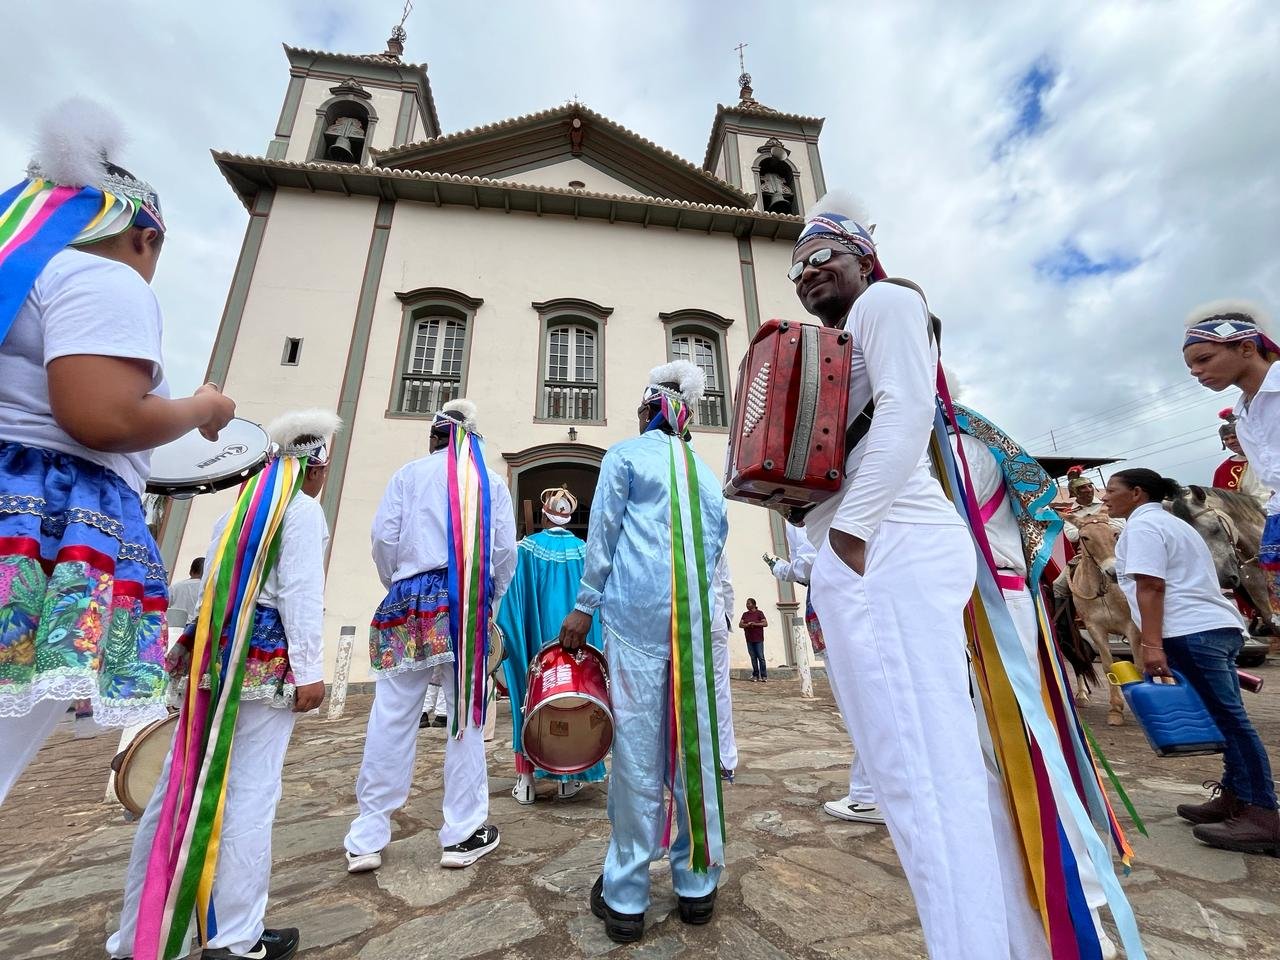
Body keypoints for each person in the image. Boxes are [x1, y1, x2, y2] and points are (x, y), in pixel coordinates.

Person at [791, 191, 1029, 959]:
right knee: (931, 773)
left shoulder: (886, 301)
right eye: (796, 265)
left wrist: (850, 533)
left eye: (821, 255)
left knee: (920, 780)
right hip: (874, 545)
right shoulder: (843, 337)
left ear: (864, 257)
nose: (806, 271)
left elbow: (904, 410)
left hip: (885, 544)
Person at [0, 99, 235, 804]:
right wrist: (202, 408)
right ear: (144, 237)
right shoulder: (99, 277)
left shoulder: (25, 279)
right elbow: (102, 417)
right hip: (43, 520)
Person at [109, 409, 338, 960]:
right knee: (251, 794)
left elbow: (212, 589)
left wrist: (193, 647)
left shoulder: (235, 514)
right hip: (264, 661)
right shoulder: (302, 511)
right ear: (316, 467)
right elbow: (300, 592)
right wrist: (310, 669)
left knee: (180, 787)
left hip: (216, 654)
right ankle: (237, 934)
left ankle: (140, 934)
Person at [557, 360, 728, 944]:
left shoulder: (624, 456)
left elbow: (603, 532)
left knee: (636, 751)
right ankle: (697, 884)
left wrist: (584, 604)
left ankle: (627, 895)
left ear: (650, 408)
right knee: (692, 747)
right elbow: (714, 548)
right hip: (693, 624)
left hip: (636, 618)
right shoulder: (706, 474)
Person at [951, 403, 1122, 958]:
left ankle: (1075, 906)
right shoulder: (970, 434)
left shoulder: (951, 444)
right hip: (987, 603)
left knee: (1025, 756)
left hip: (990, 609)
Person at [345, 400, 516, 873]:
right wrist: (489, 601)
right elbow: (504, 552)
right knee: (465, 716)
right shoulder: (490, 482)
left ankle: (367, 835)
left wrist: (400, 582)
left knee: (392, 714)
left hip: (407, 599)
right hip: (464, 602)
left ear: (434, 439)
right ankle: (462, 832)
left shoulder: (407, 475)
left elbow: (383, 539)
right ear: (472, 441)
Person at [1105, 467, 1278, 855]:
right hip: (1212, 627)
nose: (1104, 496)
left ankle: (1263, 813)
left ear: (1137, 493)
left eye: (1111, 490)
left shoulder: (1144, 526)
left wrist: (1151, 646)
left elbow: (1151, 585)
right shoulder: (1174, 524)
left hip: (1190, 630)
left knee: (1230, 722)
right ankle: (1236, 797)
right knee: (1224, 718)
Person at [495, 485, 606, 804]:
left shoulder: (526, 550)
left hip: (537, 646)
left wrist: (512, 640)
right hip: (576, 645)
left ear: (544, 516)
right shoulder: (585, 551)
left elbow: (512, 606)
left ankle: (526, 780)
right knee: (575, 702)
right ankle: (568, 780)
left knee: (528, 699)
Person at [766, 523, 883, 825]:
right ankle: (871, 789)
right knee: (873, 699)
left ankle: (870, 794)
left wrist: (782, 569)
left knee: (860, 705)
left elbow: (813, 562)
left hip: (840, 607)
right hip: (871, 598)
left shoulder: (800, 511)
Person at [1184, 300, 1280, 625]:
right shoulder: (1243, 416)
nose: (1195, 371)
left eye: (1204, 359)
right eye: (1191, 366)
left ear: (1246, 348)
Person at [710, 552, 737, 782]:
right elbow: (726, 583)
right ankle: (725, 759)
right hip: (715, 619)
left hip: (682, 622)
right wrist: (727, 616)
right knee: (720, 691)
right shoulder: (715, 536)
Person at [1214, 411, 1271, 507]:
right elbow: (1223, 504)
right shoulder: (1223, 470)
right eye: (1226, 439)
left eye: (1234, 437)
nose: (1230, 442)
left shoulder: (1272, 456)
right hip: (1253, 514)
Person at [167, 556, 205, 628]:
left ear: (191, 572)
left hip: (173, 627)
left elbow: (163, 607)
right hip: (195, 629)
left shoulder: (175, 587)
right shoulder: (206, 590)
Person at [738, 598, 768, 681]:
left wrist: (755, 624)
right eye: (747, 603)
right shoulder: (745, 614)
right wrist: (747, 625)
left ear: (754, 604)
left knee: (761, 657)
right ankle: (755, 675)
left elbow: (765, 623)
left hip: (758, 638)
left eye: (749, 603)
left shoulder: (759, 613)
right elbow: (740, 624)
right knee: (753, 657)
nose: (747, 605)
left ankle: (764, 675)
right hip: (749, 638)